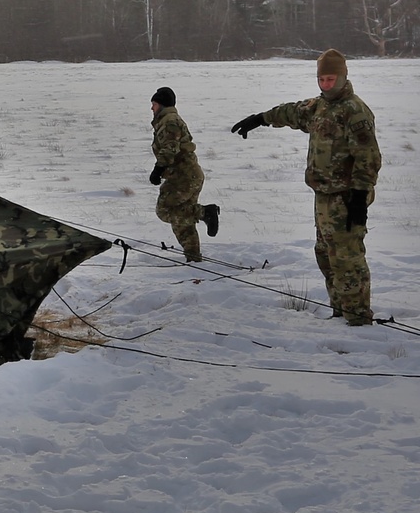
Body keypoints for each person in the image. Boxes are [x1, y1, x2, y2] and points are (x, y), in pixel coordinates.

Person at [231, 48, 381, 325]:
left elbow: (368, 158)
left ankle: (358, 320)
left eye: (331, 79)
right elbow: (290, 112)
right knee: (325, 256)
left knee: (347, 259)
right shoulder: (318, 107)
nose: (326, 84)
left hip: (346, 197)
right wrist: (259, 119)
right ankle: (340, 313)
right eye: (321, 79)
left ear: (343, 77)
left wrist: (360, 197)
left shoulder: (355, 111)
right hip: (322, 196)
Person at [149, 86, 220, 263]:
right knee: (182, 220)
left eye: (154, 104)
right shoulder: (167, 119)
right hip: (187, 176)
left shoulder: (169, 121)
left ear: (162, 105)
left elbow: (170, 148)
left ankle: (205, 212)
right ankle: (193, 259)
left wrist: (157, 170)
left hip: (184, 177)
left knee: (165, 210)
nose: (152, 108)